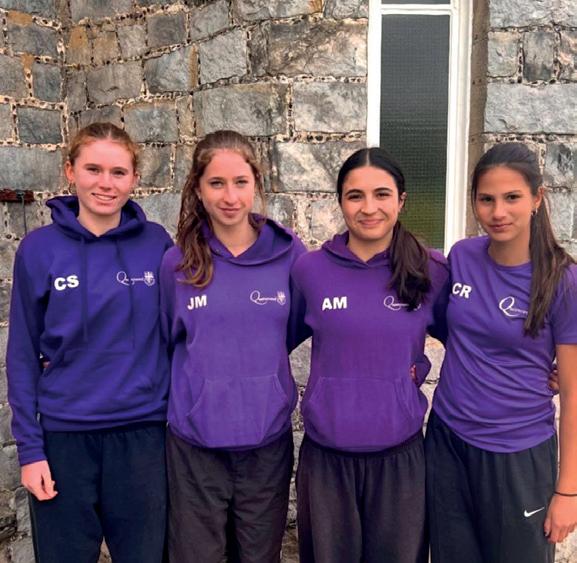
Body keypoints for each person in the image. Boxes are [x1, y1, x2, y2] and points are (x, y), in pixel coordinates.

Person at [6, 122, 172, 563]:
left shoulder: (157, 244)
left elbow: (178, 333)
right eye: (93, 169)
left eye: (118, 172)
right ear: (70, 171)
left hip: (142, 437)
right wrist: (31, 451)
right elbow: (21, 356)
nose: (105, 183)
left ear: (135, 178)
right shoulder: (38, 250)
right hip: (64, 439)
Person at [290, 147, 449, 563]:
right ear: (340, 202)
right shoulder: (310, 271)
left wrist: (540, 366)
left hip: (400, 459)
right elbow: (270, 340)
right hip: (327, 462)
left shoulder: (431, 269)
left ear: (401, 200)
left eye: (382, 194)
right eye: (355, 195)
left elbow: (473, 340)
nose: (369, 208)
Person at [160, 130, 307, 563]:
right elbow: (169, 338)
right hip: (194, 447)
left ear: (256, 183)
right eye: (216, 183)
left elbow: (291, 329)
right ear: (198, 189)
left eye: (240, 182)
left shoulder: (289, 254)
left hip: (266, 443)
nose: (229, 196)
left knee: (259, 557)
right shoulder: (177, 262)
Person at [426, 142, 577, 562]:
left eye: (512, 197)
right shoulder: (462, 256)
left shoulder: (562, 280)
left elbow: (572, 393)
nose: (498, 212)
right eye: (486, 199)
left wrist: (568, 490)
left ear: (537, 198)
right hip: (448, 441)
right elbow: (451, 328)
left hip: (518, 453)